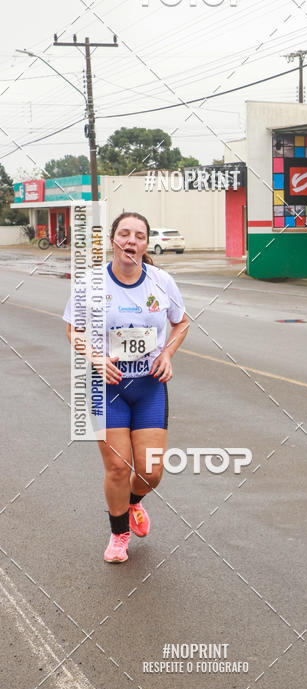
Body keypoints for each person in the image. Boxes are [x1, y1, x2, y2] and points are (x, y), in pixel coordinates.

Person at [64, 212, 188, 563]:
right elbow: (74, 330)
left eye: (139, 236)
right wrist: (95, 358)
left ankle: (134, 503)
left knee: (150, 471)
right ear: (113, 240)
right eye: (124, 234)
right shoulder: (90, 283)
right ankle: (118, 534)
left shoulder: (162, 281)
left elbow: (181, 324)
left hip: (149, 386)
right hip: (107, 386)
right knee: (118, 468)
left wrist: (167, 353)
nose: (131, 241)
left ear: (146, 244)